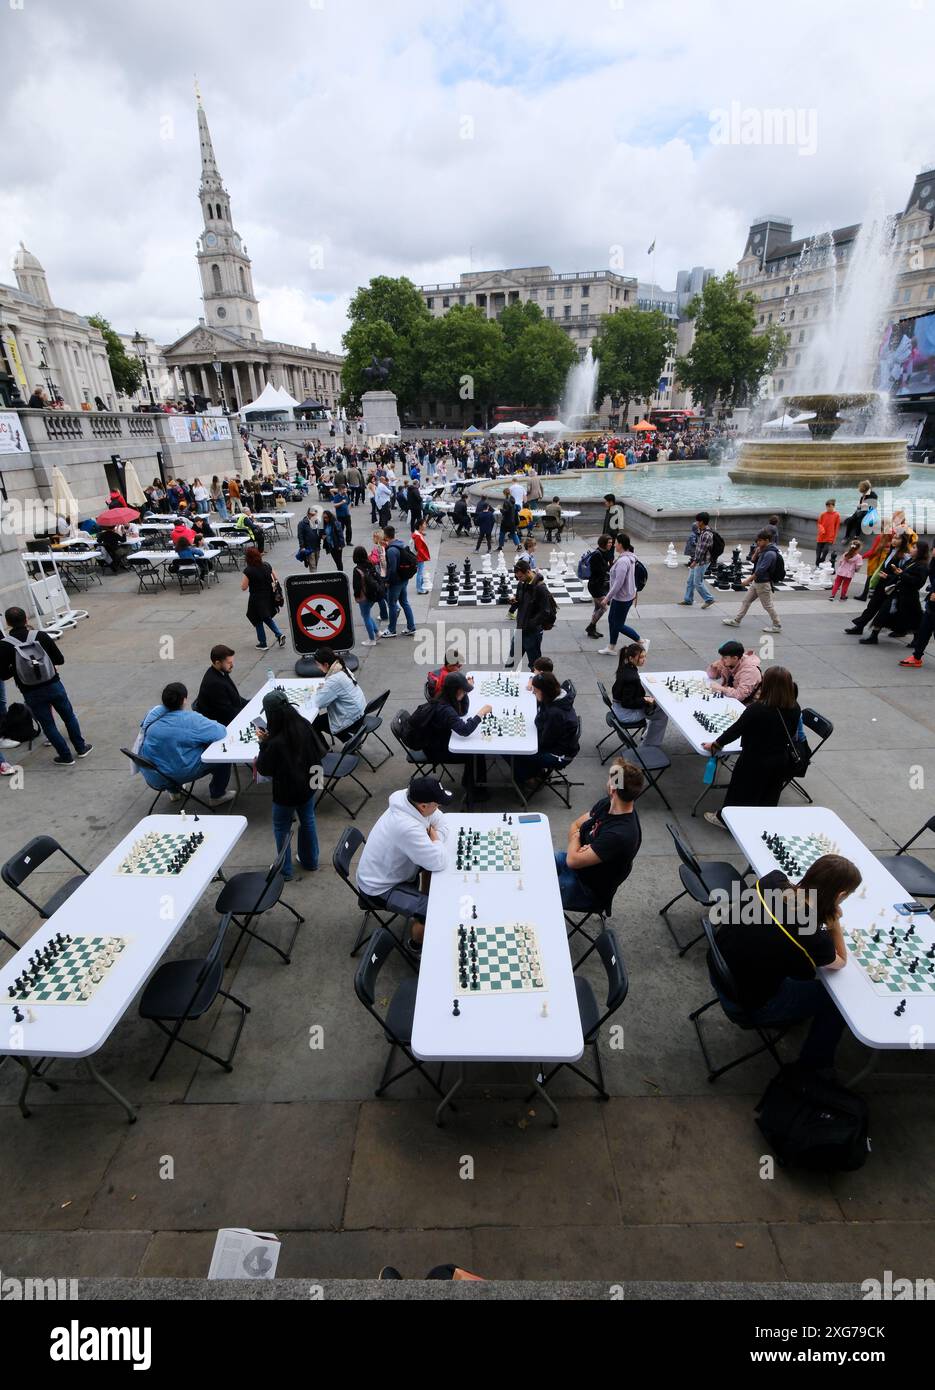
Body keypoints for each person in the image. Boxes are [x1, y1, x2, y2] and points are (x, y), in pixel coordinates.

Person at [712, 855, 859, 1069]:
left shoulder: (771, 881)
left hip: (720, 969)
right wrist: (834, 924)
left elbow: (792, 906)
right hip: (748, 1005)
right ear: (841, 895)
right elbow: (841, 961)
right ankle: (813, 1067)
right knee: (837, 1001)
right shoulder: (814, 938)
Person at [356, 774, 453, 949]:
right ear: (423, 806)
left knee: (432, 870)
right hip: (380, 888)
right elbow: (439, 861)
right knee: (435, 909)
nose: (438, 807)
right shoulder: (406, 825)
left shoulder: (410, 800)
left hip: (396, 871)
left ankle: (419, 902)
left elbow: (443, 823)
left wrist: (433, 838)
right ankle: (416, 946)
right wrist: (435, 841)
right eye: (436, 804)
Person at [701, 665, 800, 827]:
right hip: (779, 759)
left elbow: (736, 730)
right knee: (768, 794)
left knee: (742, 791)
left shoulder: (758, 709)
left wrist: (716, 744)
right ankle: (759, 824)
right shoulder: (795, 708)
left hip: (754, 758)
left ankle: (727, 820)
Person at [0, 608, 93, 766]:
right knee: (69, 717)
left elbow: (3, 674)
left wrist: (17, 669)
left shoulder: (5, 645)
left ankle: (65, 757)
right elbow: (60, 659)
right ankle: (81, 748)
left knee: (48, 725)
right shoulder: (40, 635)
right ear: (26, 620)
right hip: (53, 684)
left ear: (7, 623)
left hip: (31, 691)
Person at [554, 758, 644, 911]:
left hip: (587, 889)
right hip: (580, 870)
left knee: (535, 893)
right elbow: (574, 825)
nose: (607, 780)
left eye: (610, 778)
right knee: (537, 864)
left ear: (613, 789)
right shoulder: (607, 804)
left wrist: (577, 839)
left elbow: (572, 861)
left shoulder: (619, 834)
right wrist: (578, 847)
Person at [255, 688, 321, 879]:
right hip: (309, 785)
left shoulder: (275, 742)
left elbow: (264, 768)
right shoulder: (304, 725)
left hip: (285, 794)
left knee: (281, 827)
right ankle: (311, 861)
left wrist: (263, 743)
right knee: (308, 820)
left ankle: (285, 870)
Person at [137, 681, 233, 805]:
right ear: (184, 700)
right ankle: (217, 794)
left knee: (165, 748)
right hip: (175, 773)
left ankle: (174, 791)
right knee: (222, 756)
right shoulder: (191, 720)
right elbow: (220, 731)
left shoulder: (153, 713)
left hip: (152, 774)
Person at [407, 673, 491, 799]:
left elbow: (463, 711)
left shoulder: (443, 697)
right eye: (463, 691)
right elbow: (464, 730)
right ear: (456, 691)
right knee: (475, 753)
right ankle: (475, 792)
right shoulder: (445, 709)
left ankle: (472, 785)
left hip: (435, 742)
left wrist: (465, 693)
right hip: (436, 750)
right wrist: (481, 714)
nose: (464, 693)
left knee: (475, 752)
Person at [851, 539, 930, 644]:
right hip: (897, 594)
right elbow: (900, 576)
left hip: (909, 597)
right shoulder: (910, 561)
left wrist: (902, 574)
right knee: (882, 613)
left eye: (914, 548)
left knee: (914, 619)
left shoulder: (922, 566)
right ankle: (873, 636)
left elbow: (918, 582)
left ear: (921, 551)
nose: (911, 549)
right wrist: (889, 576)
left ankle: (916, 640)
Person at [513, 671, 580, 788]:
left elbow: (545, 742)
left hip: (559, 754)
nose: (533, 692)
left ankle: (528, 778)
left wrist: (522, 739)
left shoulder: (555, 713)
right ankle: (534, 772)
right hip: (560, 745)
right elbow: (538, 721)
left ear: (544, 691)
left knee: (515, 751)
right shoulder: (557, 699)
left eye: (536, 690)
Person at [722, 529, 783, 634]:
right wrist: (756, 552)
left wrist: (747, 580)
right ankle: (737, 620)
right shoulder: (763, 550)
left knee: (767, 606)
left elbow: (761, 570)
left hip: (763, 583)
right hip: (757, 583)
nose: (757, 543)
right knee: (746, 601)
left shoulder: (770, 554)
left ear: (767, 540)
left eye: (760, 541)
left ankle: (777, 625)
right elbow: (753, 561)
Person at [611, 644, 668, 744]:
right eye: (641, 657)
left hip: (617, 708)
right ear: (631, 658)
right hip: (625, 715)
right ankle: (649, 744)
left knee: (657, 707)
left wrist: (644, 699)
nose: (644, 659)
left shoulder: (624, 667)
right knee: (662, 715)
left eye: (645, 656)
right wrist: (644, 700)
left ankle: (647, 735)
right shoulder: (632, 678)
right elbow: (627, 703)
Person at [598, 534, 642, 655]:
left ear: (621, 544)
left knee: (618, 624)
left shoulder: (623, 561)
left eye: (616, 543)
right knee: (612, 620)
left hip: (622, 598)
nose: (614, 545)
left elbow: (618, 583)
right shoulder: (629, 557)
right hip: (625, 596)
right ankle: (611, 647)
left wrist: (607, 598)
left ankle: (640, 641)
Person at [312, 648, 366, 741]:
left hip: (353, 719)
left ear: (326, 664)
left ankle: (325, 751)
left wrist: (320, 691)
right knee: (324, 721)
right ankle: (350, 740)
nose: (318, 668)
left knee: (312, 724)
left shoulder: (334, 680)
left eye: (318, 665)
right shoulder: (342, 667)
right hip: (361, 712)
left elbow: (318, 702)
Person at [507, 559, 552, 668]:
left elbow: (546, 611)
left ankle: (537, 683)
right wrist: (514, 602)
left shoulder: (541, 588)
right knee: (512, 659)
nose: (519, 579)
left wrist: (531, 624)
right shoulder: (521, 584)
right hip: (520, 628)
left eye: (520, 576)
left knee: (535, 665)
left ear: (528, 572)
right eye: (517, 577)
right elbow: (519, 600)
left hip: (533, 632)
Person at [241, 545, 286, 650]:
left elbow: (244, 587)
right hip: (269, 595)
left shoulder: (249, 570)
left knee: (257, 618)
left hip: (256, 597)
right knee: (264, 616)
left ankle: (265, 641)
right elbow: (275, 577)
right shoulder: (267, 565)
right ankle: (274, 636)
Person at [900, 543, 935, 668]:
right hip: (931, 605)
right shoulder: (932, 563)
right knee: (924, 630)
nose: (933, 551)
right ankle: (916, 657)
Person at [195, 645, 247, 725]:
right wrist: (247, 712)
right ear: (218, 663)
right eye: (229, 663)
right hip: (222, 722)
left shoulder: (221, 670)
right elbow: (227, 713)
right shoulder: (214, 683)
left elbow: (234, 696)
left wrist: (248, 703)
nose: (232, 665)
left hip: (229, 712)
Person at [380, 524, 417, 638]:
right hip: (404, 579)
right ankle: (411, 627)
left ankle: (392, 629)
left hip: (396, 582)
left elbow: (392, 569)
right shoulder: (400, 544)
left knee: (392, 604)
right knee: (404, 603)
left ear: (386, 536)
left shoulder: (391, 550)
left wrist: (387, 581)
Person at [678, 511, 717, 609]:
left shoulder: (706, 534)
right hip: (698, 560)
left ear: (702, 522)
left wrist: (695, 562)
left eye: (697, 521)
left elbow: (701, 550)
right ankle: (688, 600)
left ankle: (709, 599)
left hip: (702, 562)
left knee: (697, 582)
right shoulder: (702, 531)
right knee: (690, 581)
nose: (696, 523)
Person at [584, 534, 613, 639]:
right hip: (595, 585)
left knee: (597, 608)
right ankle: (591, 627)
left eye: (611, 542)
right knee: (604, 607)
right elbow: (598, 570)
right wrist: (609, 567)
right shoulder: (597, 554)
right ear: (603, 543)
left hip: (598, 584)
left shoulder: (604, 553)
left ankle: (592, 629)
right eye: (609, 542)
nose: (611, 544)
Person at [352, 545, 382, 645]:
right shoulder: (370, 564)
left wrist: (356, 597)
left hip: (364, 596)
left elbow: (356, 586)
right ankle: (377, 632)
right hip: (373, 594)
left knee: (365, 616)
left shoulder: (357, 570)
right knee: (367, 615)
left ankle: (372, 639)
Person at [815, 499, 840, 565]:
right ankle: (817, 561)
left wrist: (834, 538)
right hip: (821, 535)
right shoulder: (823, 514)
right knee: (818, 550)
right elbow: (819, 523)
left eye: (830, 507)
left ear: (833, 506)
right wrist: (822, 529)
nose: (828, 508)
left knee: (826, 549)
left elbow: (836, 528)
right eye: (827, 507)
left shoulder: (836, 515)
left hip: (830, 536)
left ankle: (823, 558)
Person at [297, 507, 322, 572]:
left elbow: (320, 532)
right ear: (308, 514)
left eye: (315, 515)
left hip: (317, 546)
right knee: (312, 565)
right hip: (308, 547)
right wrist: (302, 547)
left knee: (315, 564)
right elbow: (300, 536)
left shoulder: (317, 522)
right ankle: (314, 579)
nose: (313, 516)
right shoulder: (302, 523)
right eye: (312, 515)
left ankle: (308, 563)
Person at [412, 520, 431, 595]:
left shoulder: (417, 533)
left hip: (418, 556)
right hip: (419, 557)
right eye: (424, 524)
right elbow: (419, 549)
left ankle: (420, 585)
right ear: (420, 526)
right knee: (420, 572)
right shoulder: (418, 537)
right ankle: (419, 588)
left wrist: (421, 533)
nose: (425, 525)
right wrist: (425, 557)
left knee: (420, 571)